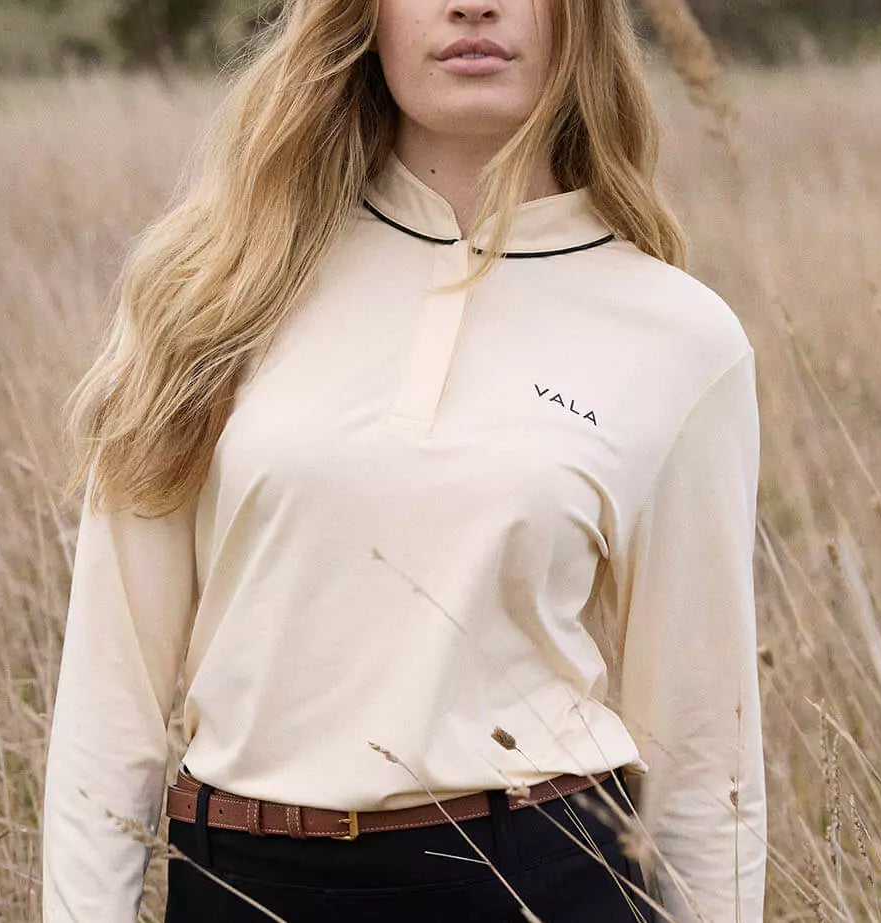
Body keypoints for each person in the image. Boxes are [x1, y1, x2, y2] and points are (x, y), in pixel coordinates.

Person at [40, 0, 768, 919]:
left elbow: (707, 752)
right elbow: (111, 702)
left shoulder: (679, 336)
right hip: (243, 881)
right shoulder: (211, 292)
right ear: (363, 16)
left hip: (541, 873)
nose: (475, 5)